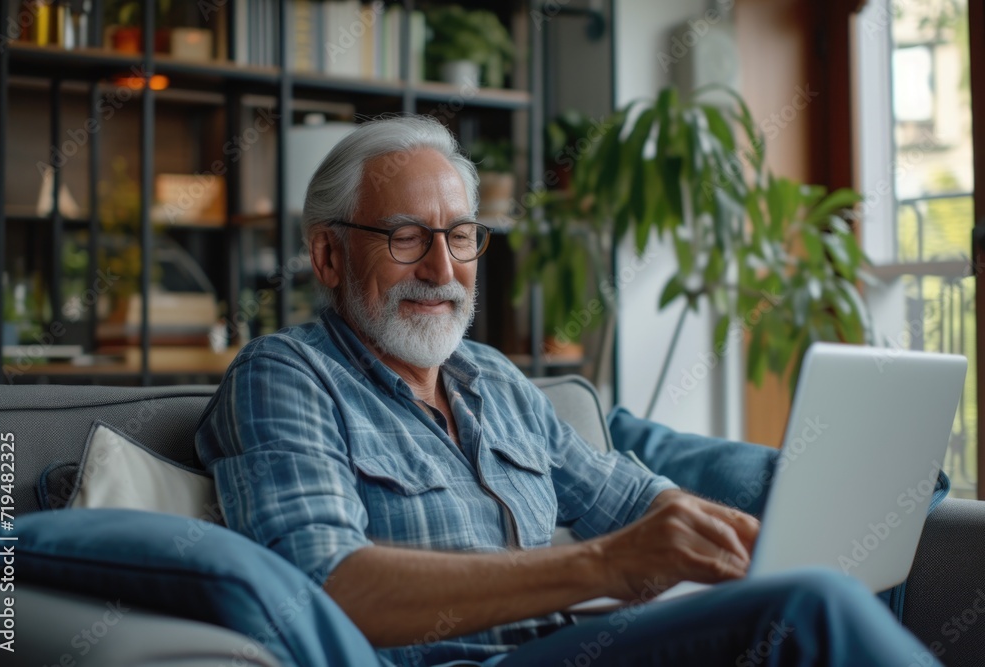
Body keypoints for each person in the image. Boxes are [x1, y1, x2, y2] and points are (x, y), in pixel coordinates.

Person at [196, 115, 943, 667]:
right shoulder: (286, 376)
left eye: (460, 236)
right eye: (404, 237)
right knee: (807, 610)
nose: (441, 267)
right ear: (328, 255)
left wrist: (746, 538)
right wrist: (605, 565)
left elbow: (639, 501)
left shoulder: (494, 381)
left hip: (574, 651)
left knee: (802, 588)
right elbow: (323, 585)